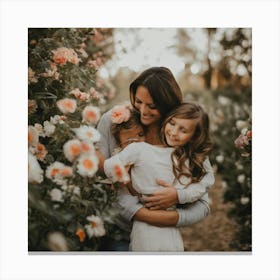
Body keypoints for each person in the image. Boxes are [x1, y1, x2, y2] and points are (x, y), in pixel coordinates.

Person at [96, 67, 215, 251]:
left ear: (168, 104)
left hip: (163, 234)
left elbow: (203, 204)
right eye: (138, 101)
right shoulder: (115, 120)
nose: (143, 111)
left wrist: (176, 199)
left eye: (152, 106)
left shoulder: (178, 132)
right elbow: (99, 172)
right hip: (117, 229)